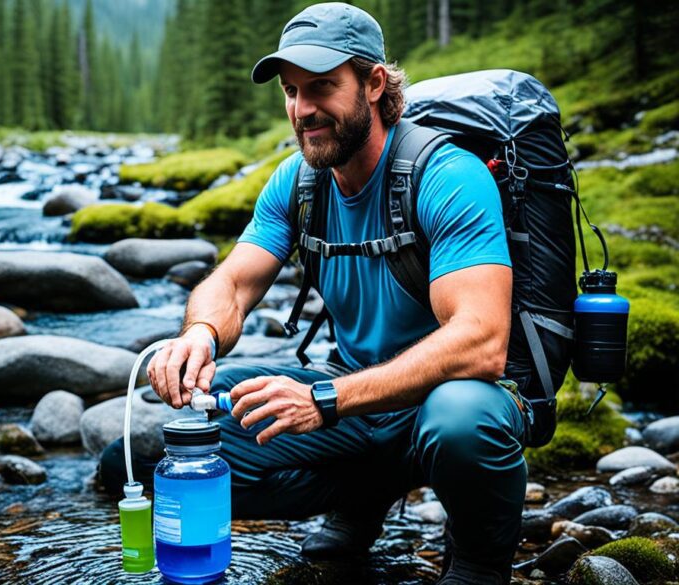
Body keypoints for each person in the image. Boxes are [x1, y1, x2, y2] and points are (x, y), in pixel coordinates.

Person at [98, 3, 528, 583]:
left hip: (444, 399)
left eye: (322, 87)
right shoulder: (299, 183)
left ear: (375, 83)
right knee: (171, 456)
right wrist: (198, 334)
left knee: (460, 418)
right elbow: (231, 282)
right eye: (291, 91)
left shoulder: (447, 176)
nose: (303, 110)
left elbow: (481, 343)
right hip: (355, 406)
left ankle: (478, 560)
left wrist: (324, 401)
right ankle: (365, 494)